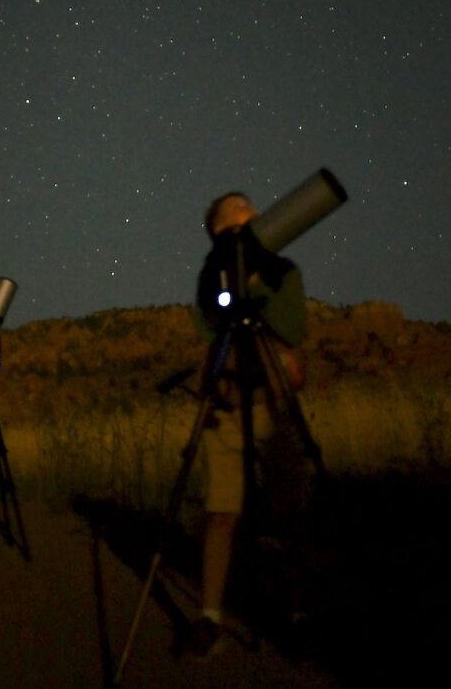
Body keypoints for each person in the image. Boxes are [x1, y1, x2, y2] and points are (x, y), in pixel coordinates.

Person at [186, 191, 308, 657]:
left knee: (290, 516)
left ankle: (296, 611)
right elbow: (210, 330)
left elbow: (292, 331)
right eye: (240, 207)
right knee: (221, 515)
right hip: (228, 410)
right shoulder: (210, 279)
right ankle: (210, 617)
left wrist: (255, 284)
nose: (253, 211)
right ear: (218, 226)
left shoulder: (282, 273)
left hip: (272, 408)